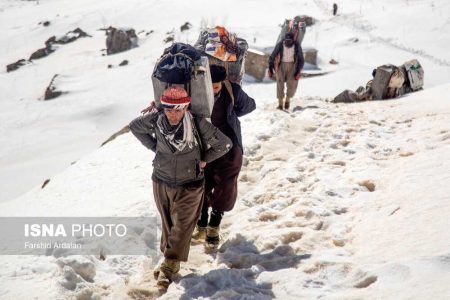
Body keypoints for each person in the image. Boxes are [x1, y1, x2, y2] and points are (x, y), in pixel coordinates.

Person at [129, 86, 232, 288]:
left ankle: (169, 266)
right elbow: (135, 127)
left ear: (186, 107)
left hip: (190, 184)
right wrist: (154, 147)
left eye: (178, 109)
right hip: (161, 180)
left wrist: (204, 159)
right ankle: (170, 260)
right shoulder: (156, 120)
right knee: (168, 224)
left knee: (183, 225)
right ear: (163, 107)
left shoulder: (197, 123)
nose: (173, 114)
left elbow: (224, 144)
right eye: (169, 109)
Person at [191, 65, 256, 248]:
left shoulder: (231, 89)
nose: (213, 90)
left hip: (229, 148)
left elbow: (250, 105)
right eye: (209, 86)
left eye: (216, 86)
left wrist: (231, 113)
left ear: (223, 82)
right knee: (200, 184)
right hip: (203, 148)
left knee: (225, 186)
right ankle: (201, 222)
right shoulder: (195, 92)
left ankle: (214, 226)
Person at [268, 32, 305, 110]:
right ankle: (280, 104)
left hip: (292, 65)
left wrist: (298, 70)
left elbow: (301, 58)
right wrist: (270, 68)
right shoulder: (280, 45)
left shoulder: (296, 45)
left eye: (290, 40)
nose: (288, 42)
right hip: (281, 65)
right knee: (279, 83)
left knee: (291, 83)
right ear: (284, 40)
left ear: (292, 40)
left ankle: (287, 100)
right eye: (286, 40)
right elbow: (273, 55)